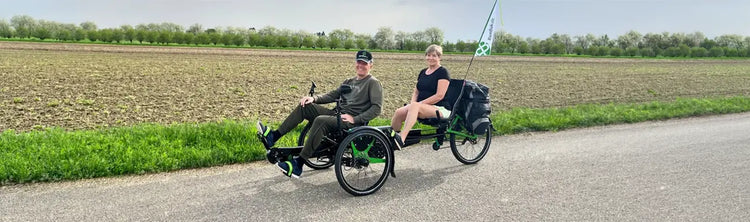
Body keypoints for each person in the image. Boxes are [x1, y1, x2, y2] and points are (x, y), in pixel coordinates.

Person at [256, 50, 383, 179]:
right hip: (337, 114)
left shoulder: (373, 83)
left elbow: (376, 108)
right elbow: (333, 95)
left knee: (320, 120)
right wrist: (314, 99)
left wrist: (355, 119)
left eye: (364, 63)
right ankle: (273, 136)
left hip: (352, 122)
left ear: (370, 65)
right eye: (358, 62)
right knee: (305, 106)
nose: (360, 65)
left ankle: (298, 165)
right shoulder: (349, 81)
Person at [390, 44, 450, 149]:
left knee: (415, 106)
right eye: (428, 55)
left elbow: (439, 96)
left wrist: (419, 104)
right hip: (421, 107)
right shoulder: (423, 72)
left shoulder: (443, 72)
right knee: (399, 112)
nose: (430, 58)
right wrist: (413, 103)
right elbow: (416, 91)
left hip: (439, 108)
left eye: (434, 56)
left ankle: (401, 139)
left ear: (439, 57)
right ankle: (391, 139)